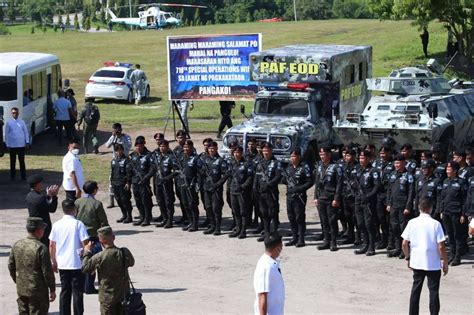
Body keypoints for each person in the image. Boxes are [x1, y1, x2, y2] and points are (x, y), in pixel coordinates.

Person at [401, 198, 449, 315]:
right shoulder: (436, 224)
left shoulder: (412, 222)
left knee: (416, 290)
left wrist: (408, 257)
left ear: (419, 207)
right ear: (431, 209)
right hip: (432, 263)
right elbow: (441, 246)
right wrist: (445, 262)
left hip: (417, 262)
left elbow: (404, 244)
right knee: (433, 292)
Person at [8, 217, 56, 315]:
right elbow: (47, 272)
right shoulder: (41, 248)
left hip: (21, 289)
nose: (43, 232)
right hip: (38, 292)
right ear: (39, 231)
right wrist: (52, 289)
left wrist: (18, 281)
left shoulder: (17, 245)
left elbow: (11, 266)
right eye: (43, 229)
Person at [82, 226, 135, 314]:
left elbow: (85, 268)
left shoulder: (100, 256)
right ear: (113, 238)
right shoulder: (124, 252)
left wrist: (87, 252)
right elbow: (132, 262)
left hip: (107, 298)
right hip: (123, 295)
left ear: (101, 241)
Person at [49, 199, 89, 315]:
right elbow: (85, 243)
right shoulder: (78, 224)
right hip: (76, 263)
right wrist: (88, 259)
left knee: (65, 291)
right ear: (74, 210)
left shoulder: (57, 225)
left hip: (62, 263)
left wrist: (53, 261)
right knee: (77, 292)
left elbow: (52, 244)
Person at [75, 180, 109, 294]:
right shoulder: (97, 204)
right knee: (93, 262)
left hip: (79, 236)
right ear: (94, 190)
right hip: (93, 237)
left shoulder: (78, 202)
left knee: (81, 260)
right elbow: (103, 222)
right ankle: (89, 286)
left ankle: (81, 284)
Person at [281, 148, 313, 247]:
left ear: (299, 156)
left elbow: (310, 182)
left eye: (294, 156)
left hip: (299, 197)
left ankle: (301, 239)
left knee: (299, 217)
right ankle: (294, 238)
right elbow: (283, 180)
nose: (292, 158)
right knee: (291, 217)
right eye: (291, 156)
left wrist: (300, 188)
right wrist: (284, 178)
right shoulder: (289, 167)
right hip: (289, 196)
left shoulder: (304, 167)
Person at [314, 146, 343, 251]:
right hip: (321, 197)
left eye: (324, 155)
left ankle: (334, 242)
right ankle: (326, 241)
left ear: (329, 155)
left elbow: (339, 184)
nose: (322, 157)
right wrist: (315, 197)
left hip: (331, 198)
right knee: (324, 220)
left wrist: (337, 198)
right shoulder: (319, 167)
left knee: (332, 221)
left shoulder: (336, 167)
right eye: (320, 155)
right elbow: (317, 183)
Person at [437, 161, 466, 266]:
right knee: (449, 235)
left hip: (456, 212)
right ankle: (451, 255)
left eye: (449, 170)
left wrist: (463, 214)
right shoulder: (445, 181)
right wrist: (441, 210)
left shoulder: (461, 182)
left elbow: (464, 199)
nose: (447, 171)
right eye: (447, 169)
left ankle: (457, 257)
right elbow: (442, 197)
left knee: (457, 235)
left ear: (455, 171)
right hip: (446, 212)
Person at [386, 154, 415, 258]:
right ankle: (398, 248)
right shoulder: (393, 174)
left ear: (404, 163)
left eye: (398, 163)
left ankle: (405, 249)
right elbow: (389, 190)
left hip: (403, 206)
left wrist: (408, 206)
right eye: (395, 163)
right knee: (395, 227)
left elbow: (411, 192)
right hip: (394, 205)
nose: (396, 165)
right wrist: (388, 203)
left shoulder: (409, 175)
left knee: (404, 229)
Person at [253, 232, 285, 315]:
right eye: (281, 247)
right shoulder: (266, 267)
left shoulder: (271, 263)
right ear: (277, 248)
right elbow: (262, 295)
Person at [255, 143, 282, 242]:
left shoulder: (276, 163)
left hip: (271, 192)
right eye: (264, 151)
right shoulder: (260, 162)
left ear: (271, 151)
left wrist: (269, 184)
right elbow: (257, 176)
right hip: (261, 192)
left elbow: (278, 176)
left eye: (268, 151)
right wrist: (255, 188)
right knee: (264, 213)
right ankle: (266, 233)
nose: (266, 153)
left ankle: (274, 233)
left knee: (273, 213)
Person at [202, 141, 229, 235]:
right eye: (209, 148)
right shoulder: (205, 159)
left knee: (216, 208)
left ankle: (217, 227)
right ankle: (212, 225)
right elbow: (200, 170)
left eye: (213, 148)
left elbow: (226, 174)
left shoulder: (221, 160)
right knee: (208, 207)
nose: (211, 150)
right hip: (207, 187)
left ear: (217, 148)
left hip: (216, 188)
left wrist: (218, 184)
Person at [26, 174, 60, 246]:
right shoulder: (40, 198)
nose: (42, 185)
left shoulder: (29, 196)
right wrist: (54, 196)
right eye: (40, 183)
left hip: (33, 225)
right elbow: (52, 208)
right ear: (37, 184)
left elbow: (42, 205)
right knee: (44, 246)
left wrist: (48, 196)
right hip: (42, 227)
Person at [176, 140, 202, 232]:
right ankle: (190, 222)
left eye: (188, 147)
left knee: (192, 204)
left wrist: (195, 183)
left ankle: (195, 224)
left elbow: (199, 173)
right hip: (182, 184)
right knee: (185, 204)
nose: (186, 149)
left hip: (191, 185)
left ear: (192, 148)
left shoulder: (196, 159)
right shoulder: (182, 158)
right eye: (185, 147)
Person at [150, 139, 177, 228]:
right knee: (160, 201)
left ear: (167, 147)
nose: (162, 148)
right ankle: (164, 219)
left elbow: (176, 171)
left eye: (164, 146)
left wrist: (167, 178)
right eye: (160, 146)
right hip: (158, 183)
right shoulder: (157, 157)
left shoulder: (171, 157)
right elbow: (153, 169)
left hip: (167, 183)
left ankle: (170, 220)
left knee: (168, 202)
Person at [105, 122, 132, 208]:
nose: (116, 132)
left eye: (118, 130)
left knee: (125, 181)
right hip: (115, 162)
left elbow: (128, 147)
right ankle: (112, 201)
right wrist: (113, 137)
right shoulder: (113, 137)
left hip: (125, 161)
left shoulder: (126, 137)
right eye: (114, 130)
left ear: (121, 130)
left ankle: (126, 200)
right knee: (112, 180)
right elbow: (107, 146)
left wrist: (120, 139)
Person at [229, 146, 254, 239]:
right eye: (235, 152)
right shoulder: (232, 163)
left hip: (242, 192)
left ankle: (243, 230)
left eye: (238, 152)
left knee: (243, 212)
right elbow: (229, 175)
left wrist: (243, 186)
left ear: (242, 153)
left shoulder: (247, 163)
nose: (236, 154)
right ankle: (238, 228)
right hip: (233, 190)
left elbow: (250, 177)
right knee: (235, 211)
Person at [129, 136, 154, 226]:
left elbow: (152, 169)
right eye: (137, 146)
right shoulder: (133, 156)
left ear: (144, 145)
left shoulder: (149, 155)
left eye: (140, 145)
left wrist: (146, 178)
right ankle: (142, 216)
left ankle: (147, 218)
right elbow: (130, 170)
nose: (138, 147)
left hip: (144, 182)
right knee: (138, 200)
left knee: (145, 201)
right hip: (135, 182)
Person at [111, 144, 133, 223]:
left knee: (125, 200)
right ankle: (124, 215)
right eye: (116, 150)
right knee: (118, 200)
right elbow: (112, 172)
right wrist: (112, 183)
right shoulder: (113, 160)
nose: (118, 152)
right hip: (115, 183)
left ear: (122, 150)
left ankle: (129, 216)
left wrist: (128, 182)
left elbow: (129, 173)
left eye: (119, 150)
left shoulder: (126, 160)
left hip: (123, 184)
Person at [5, 107, 30, 181]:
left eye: (16, 113)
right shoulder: (9, 122)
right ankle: (12, 177)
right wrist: (7, 144)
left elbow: (26, 132)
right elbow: (6, 134)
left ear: (18, 113)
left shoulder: (22, 122)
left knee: (22, 161)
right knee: (12, 162)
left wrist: (27, 142)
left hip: (21, 145)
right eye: (13, 113)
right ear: (11, 114)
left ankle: (23, 176)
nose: (14, 114)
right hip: (12, 145)